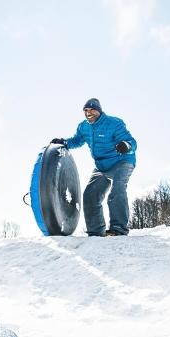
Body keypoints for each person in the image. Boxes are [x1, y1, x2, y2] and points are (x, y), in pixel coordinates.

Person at [51, 98, 137, 237]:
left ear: (99, 110)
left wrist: (126, 146)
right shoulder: (83, 127)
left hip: (121, 161)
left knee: (118, 189)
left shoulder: (114, 123)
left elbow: (132, 142)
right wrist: (64, 142)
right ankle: (96, 232)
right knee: (90, 195)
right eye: (86, 110)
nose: (88, 113)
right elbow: (77, 141)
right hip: (101, 166)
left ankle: (118, 229)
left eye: (92, 110)